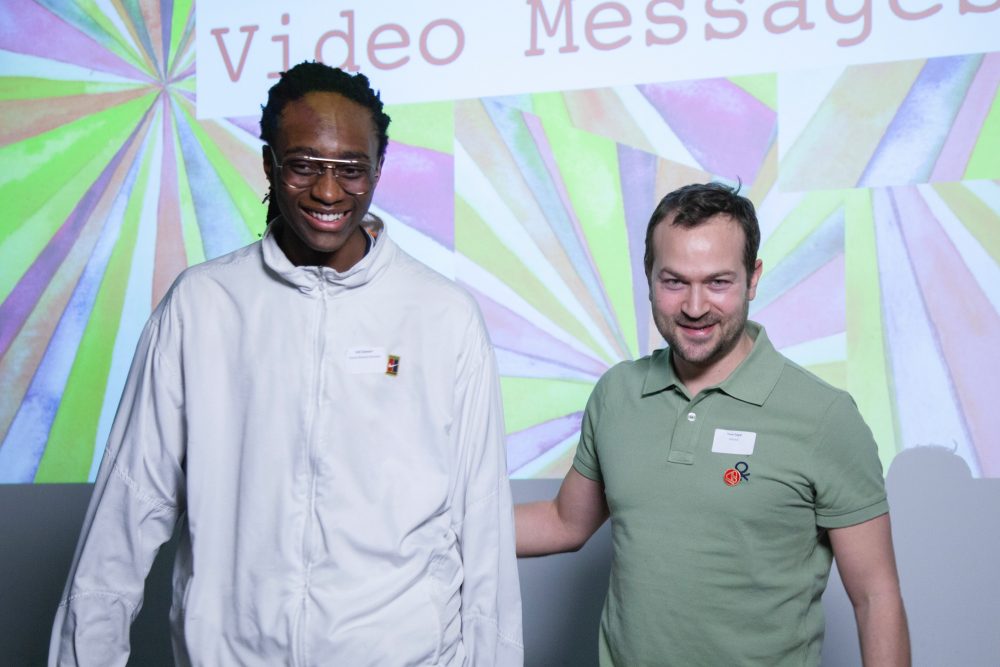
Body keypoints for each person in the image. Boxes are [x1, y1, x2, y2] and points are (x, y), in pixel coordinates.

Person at [49, 61, 523, 666]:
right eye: (304, 165)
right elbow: (127, 508)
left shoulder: (443, 315)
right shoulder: (202, 306)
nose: (328, 191)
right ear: (270, 164)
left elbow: (483, 524)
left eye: (351, 169)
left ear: (379, 167)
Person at [515, 182, 909, 666]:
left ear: (753, 278)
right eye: (674, 282)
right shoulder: (617, 394)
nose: (695, 307)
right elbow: (563, 522)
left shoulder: (823, 416)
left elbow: (875, 596)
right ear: (648, 276)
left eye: (718, 282)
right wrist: (441, 526)